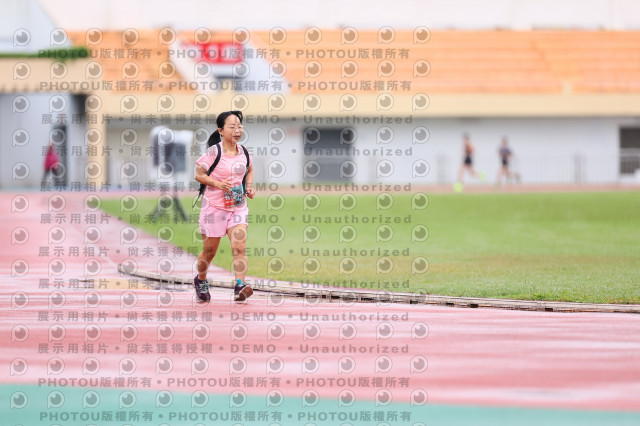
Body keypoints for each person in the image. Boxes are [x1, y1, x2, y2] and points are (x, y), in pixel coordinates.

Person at [193, 111, 256, 303]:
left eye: (240, 126)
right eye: (232, 126)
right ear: (220, 130)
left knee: (239, 246)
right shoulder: (214, 152)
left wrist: (248, 187)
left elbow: (250, 170)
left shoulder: (244, 152)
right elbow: (199, 174)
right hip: (213, 208)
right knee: (209, 251)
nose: (237, 130)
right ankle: (201, 279)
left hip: (237, 207)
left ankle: (240, 285)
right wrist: (218, 184)